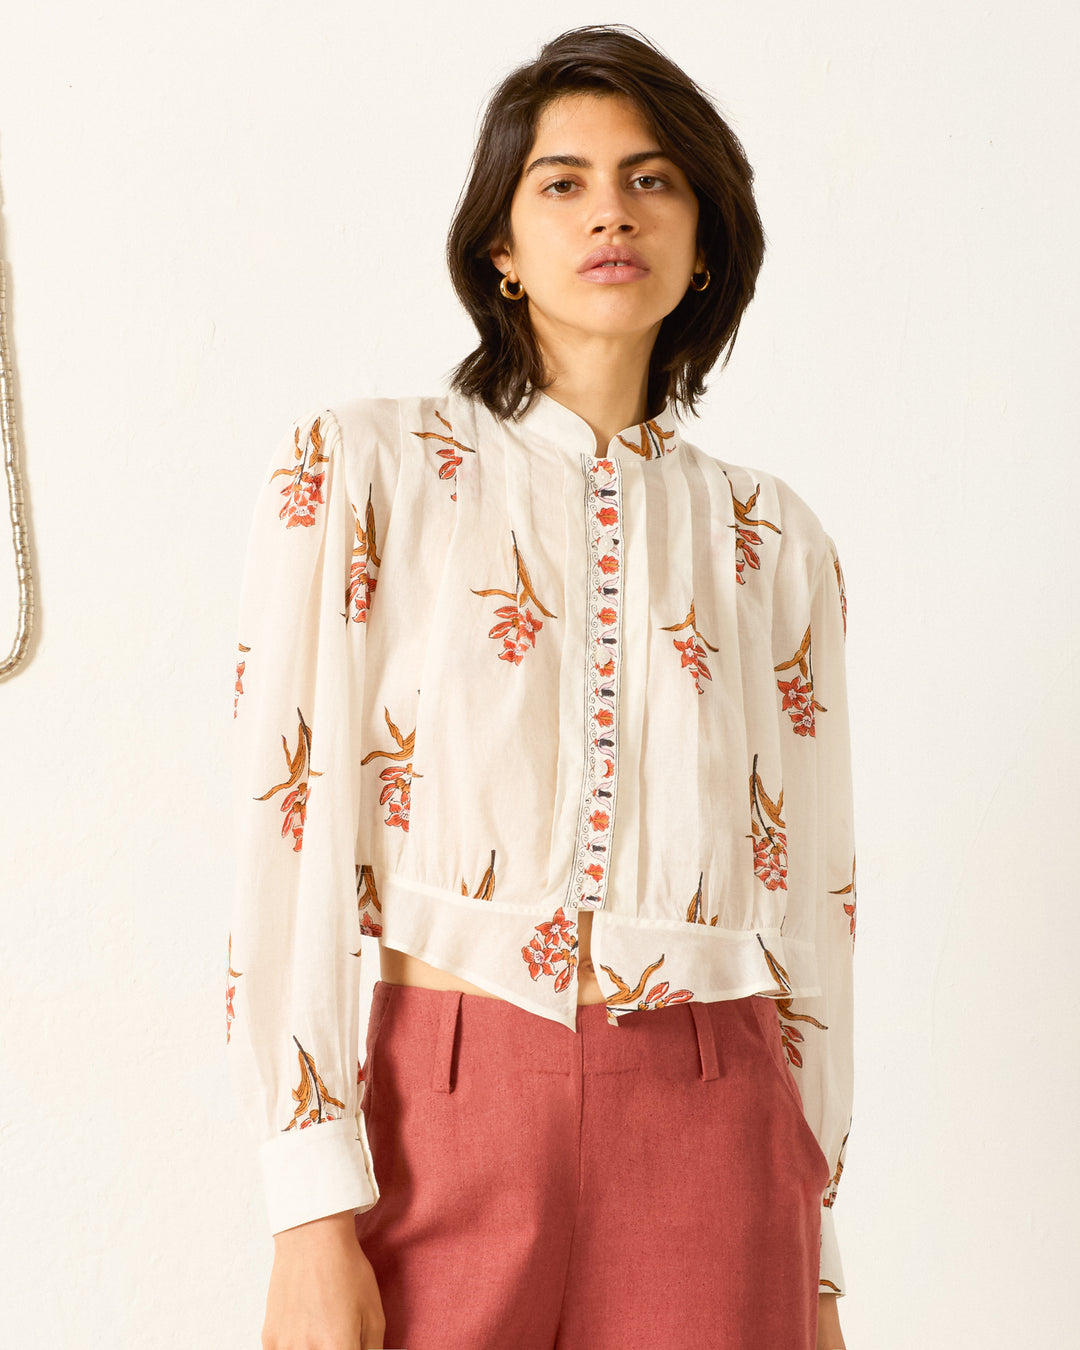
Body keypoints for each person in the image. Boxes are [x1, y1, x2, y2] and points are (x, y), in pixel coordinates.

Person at [226, 23, 856, 1350]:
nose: (610, 212)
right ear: (500, 249)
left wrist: (820, 1261)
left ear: (704, 244)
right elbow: (289, 828)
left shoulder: (773, 541)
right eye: (562, 182)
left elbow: (813, 904)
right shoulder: (369, 471)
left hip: (719, 1117)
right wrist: (305, 1204)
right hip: (445, 1102)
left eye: (652, 179)